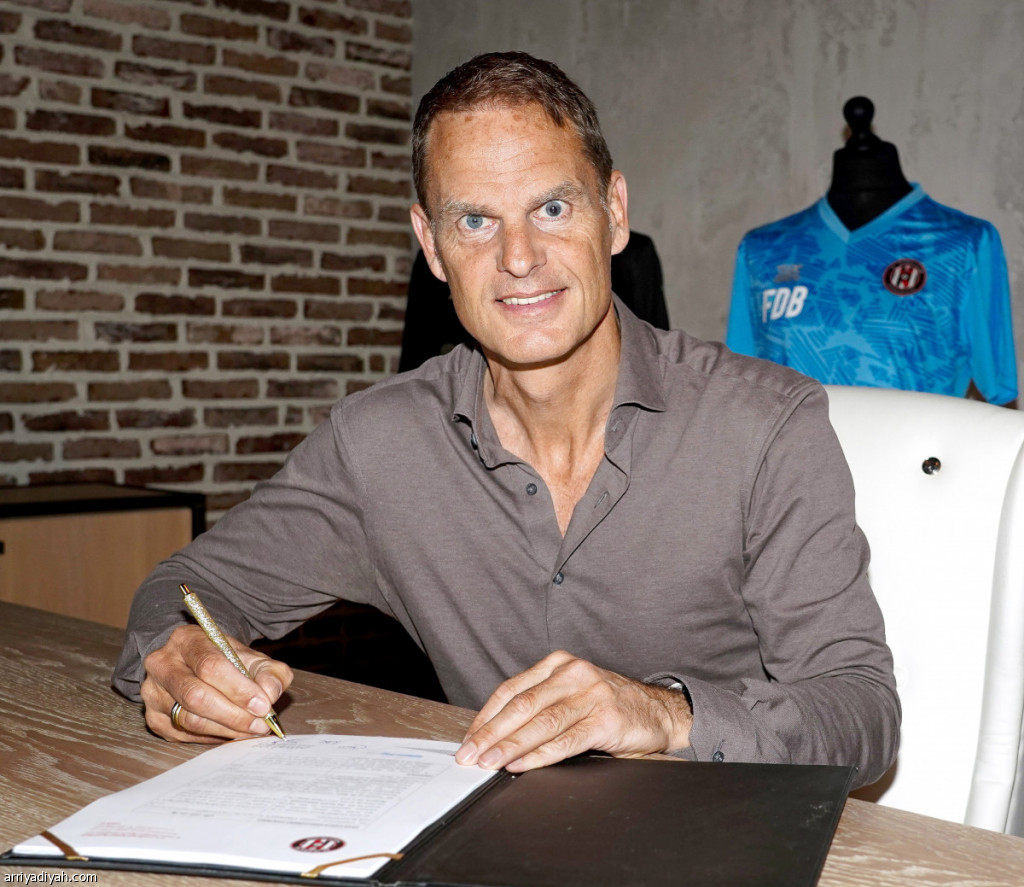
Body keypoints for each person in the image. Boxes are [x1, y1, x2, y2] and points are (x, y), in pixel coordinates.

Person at [114, 51, 899, 787]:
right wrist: (181, 663)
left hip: (720, 832)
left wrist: (661, 713)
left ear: (614, 212)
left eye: (552, 207)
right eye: (475, 222)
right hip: (485, 835)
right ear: (431, 245)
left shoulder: (767, 426)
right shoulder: (379, 445)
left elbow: (862, 713)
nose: (519, 257)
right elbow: (185, 589)